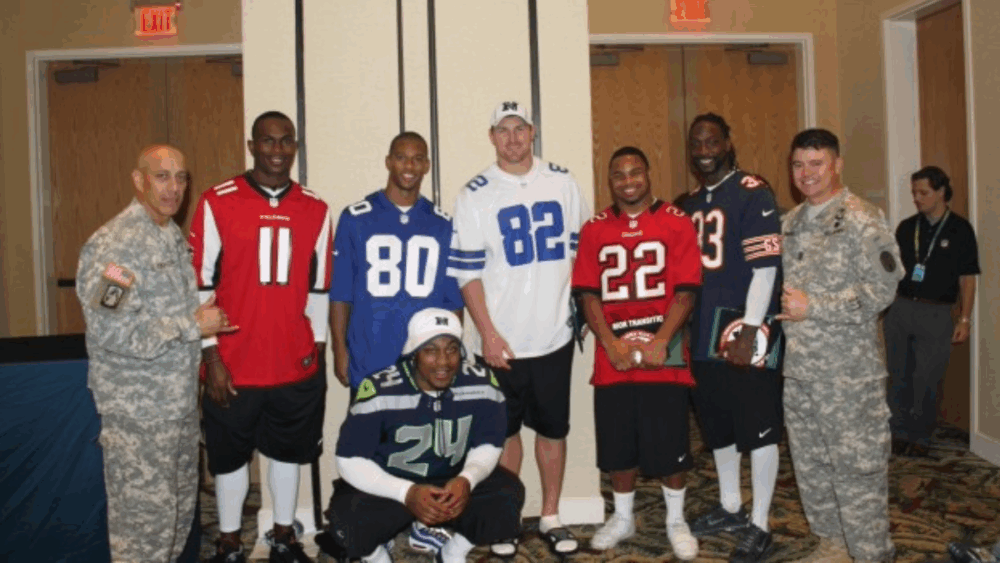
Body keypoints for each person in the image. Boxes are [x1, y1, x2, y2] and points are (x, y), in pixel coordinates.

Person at [447, 100, 590, 555]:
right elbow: (467, 273)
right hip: (500, 341)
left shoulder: (562, 182)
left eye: (519, 128)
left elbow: (583, 252)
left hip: (552, 335)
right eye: (502, 130)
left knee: (552, 431)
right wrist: (487, 332)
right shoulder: (476, 193)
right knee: (504, 435)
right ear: (491, 137)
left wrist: (580, 311)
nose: (512, 138)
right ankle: (507, 520)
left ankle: (550, 515)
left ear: (532, 132)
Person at [189, 111, 333, 563]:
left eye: (286, 141)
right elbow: (199, 288)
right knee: (230, 458)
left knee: (287, 453)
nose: (277, 150)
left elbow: (319, 290)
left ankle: (283, 534)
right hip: (232, 362)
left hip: (292, 361)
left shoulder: (316, 208)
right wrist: (210, 357)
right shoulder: (217, 201)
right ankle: (229, 538)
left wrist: (318, 355)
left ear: (295, 146)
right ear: (252, 146)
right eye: (267, 141)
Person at [77, 145, 233, 562]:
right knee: (143, 532)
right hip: (139, 418)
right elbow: (111, 329)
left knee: (177, 523)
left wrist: (203, 320)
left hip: (177, 410)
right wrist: (192, 326)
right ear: (139, 180)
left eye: (181, 177)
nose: (174, 187)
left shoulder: (167, 234)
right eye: (162, 176)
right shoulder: (117, 246)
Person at [329, 131, 464, 554]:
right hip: (370, 353)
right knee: (368, 452)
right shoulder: (356, 215)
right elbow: (341, 293)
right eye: (401, 157)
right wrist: (339, 349)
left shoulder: (442, 223)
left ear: (426, 166)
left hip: (421, 363)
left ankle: (424, 527)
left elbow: (451, 301)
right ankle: (375, 537)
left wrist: (453, 355)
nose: (409, 166)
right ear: (389, 161)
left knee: (423, 448)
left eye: (417, 159)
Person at [778, 129, 901, 563]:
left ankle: (869, 554)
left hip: (849, 378)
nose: (806, 174)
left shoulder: (861, 218)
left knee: (857, 472)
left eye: (816, 163)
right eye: (798, 165)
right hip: (800, 373)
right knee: (811, 468)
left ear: (836, 165)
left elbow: (882, 290)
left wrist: (816, 306)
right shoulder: (790, 223)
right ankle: (832, 544)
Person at [572, 147, 701, 559]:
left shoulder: (676, 222)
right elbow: (588, 293)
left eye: (635, 173)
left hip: (665, 349)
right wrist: (610, 342)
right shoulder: (593, 229)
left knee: (670, 442)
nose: (628, 181)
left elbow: (686, 291)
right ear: (610, 181)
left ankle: (675, 519)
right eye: (619, 175)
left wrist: (662, 339)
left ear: (648, 175)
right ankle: (623, 516)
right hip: (615, 354)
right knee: (618, 444)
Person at [320, 308, 524, 563]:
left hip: (452, 479)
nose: (443, 362)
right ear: (414, 354)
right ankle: (377, 557)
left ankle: (453, 552)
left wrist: (467, 479)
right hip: (393, 483)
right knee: (346, 518)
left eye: (451, 349)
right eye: (431, 350)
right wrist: (406, 492)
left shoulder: (482, 384)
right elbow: (349, 459)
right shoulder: (380, 390)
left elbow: (489, 443)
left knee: (507, 493)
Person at [679, 113, 785, 563]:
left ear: (728, 142)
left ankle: (760, 522)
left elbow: (765, 269)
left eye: (712, 141)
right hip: (703, 326)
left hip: (746, 324)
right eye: (696, 142)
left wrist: (748, 328)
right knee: (717, 422)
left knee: (757, 425)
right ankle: (730, 505)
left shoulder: (752, 191)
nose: (704, 149)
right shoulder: (686, 203)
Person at [885, 165, 980, 457]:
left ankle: (921, 436)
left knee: (927, 377)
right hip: (900, 309)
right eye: (914, 193)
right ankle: (899, 432)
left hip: (937, 313)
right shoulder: (906, 227)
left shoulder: (960, 229)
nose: (917, 198)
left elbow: (968, 278)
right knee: (898, 374)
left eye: (923, 192)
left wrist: (964, 317)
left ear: (941, 191)